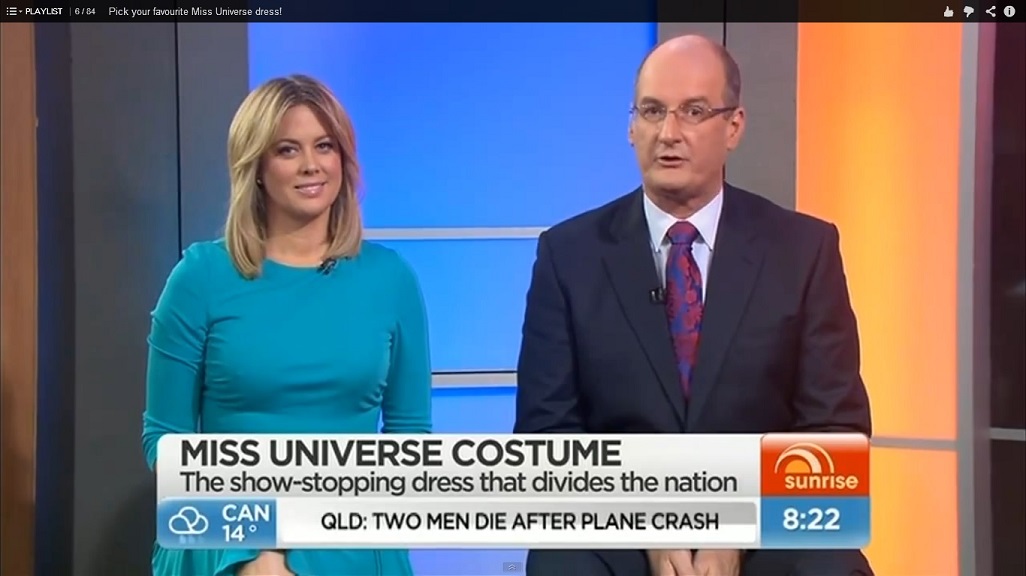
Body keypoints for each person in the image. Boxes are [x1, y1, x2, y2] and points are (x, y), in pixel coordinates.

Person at [514, 35, 874, 576]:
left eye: (694, 112)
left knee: (831, 564)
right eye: (652, 111)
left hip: (765, 530)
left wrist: (737, 531)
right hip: (619, 530)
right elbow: (548, 438)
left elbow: (834, 432)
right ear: (631, 127)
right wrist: (647, 523)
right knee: (561, 562)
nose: (668, 133)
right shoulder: (568, 255)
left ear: (734, 127)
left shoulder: (803, 250)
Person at [142, 74, 432, 576]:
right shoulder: (201, 278)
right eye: (287, 150)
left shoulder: (391, 279)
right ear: (256, 167)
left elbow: (410, 440)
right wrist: (255, 547)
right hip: (224, 534)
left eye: (325, 146)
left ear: (343, 159)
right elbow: (166, 443)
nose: (310, 165)